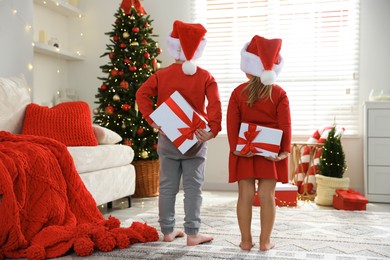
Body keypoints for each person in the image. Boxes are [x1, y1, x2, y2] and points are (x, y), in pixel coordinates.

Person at [136, 20, 222, 246]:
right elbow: (215, 105)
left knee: (167, 186)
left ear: (173, 48)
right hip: (196, 139)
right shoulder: (205, 76)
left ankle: (167, 230)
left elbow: (141, 94)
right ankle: (193, 234)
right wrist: (212, 129)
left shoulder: (161, 75)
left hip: (168, 139)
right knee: (193, 187)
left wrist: (152, 119)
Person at [226, 35, 291, 251]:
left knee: (244, 195)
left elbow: (232, 124)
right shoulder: (279, 93)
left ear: (247, 68)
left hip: (245, 149)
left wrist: (237, 147)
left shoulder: (238, 93)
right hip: (269, 152)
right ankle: (265, 242)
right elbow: (285, 125)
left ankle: (245, 241)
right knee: (267, 195)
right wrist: (283, 151)